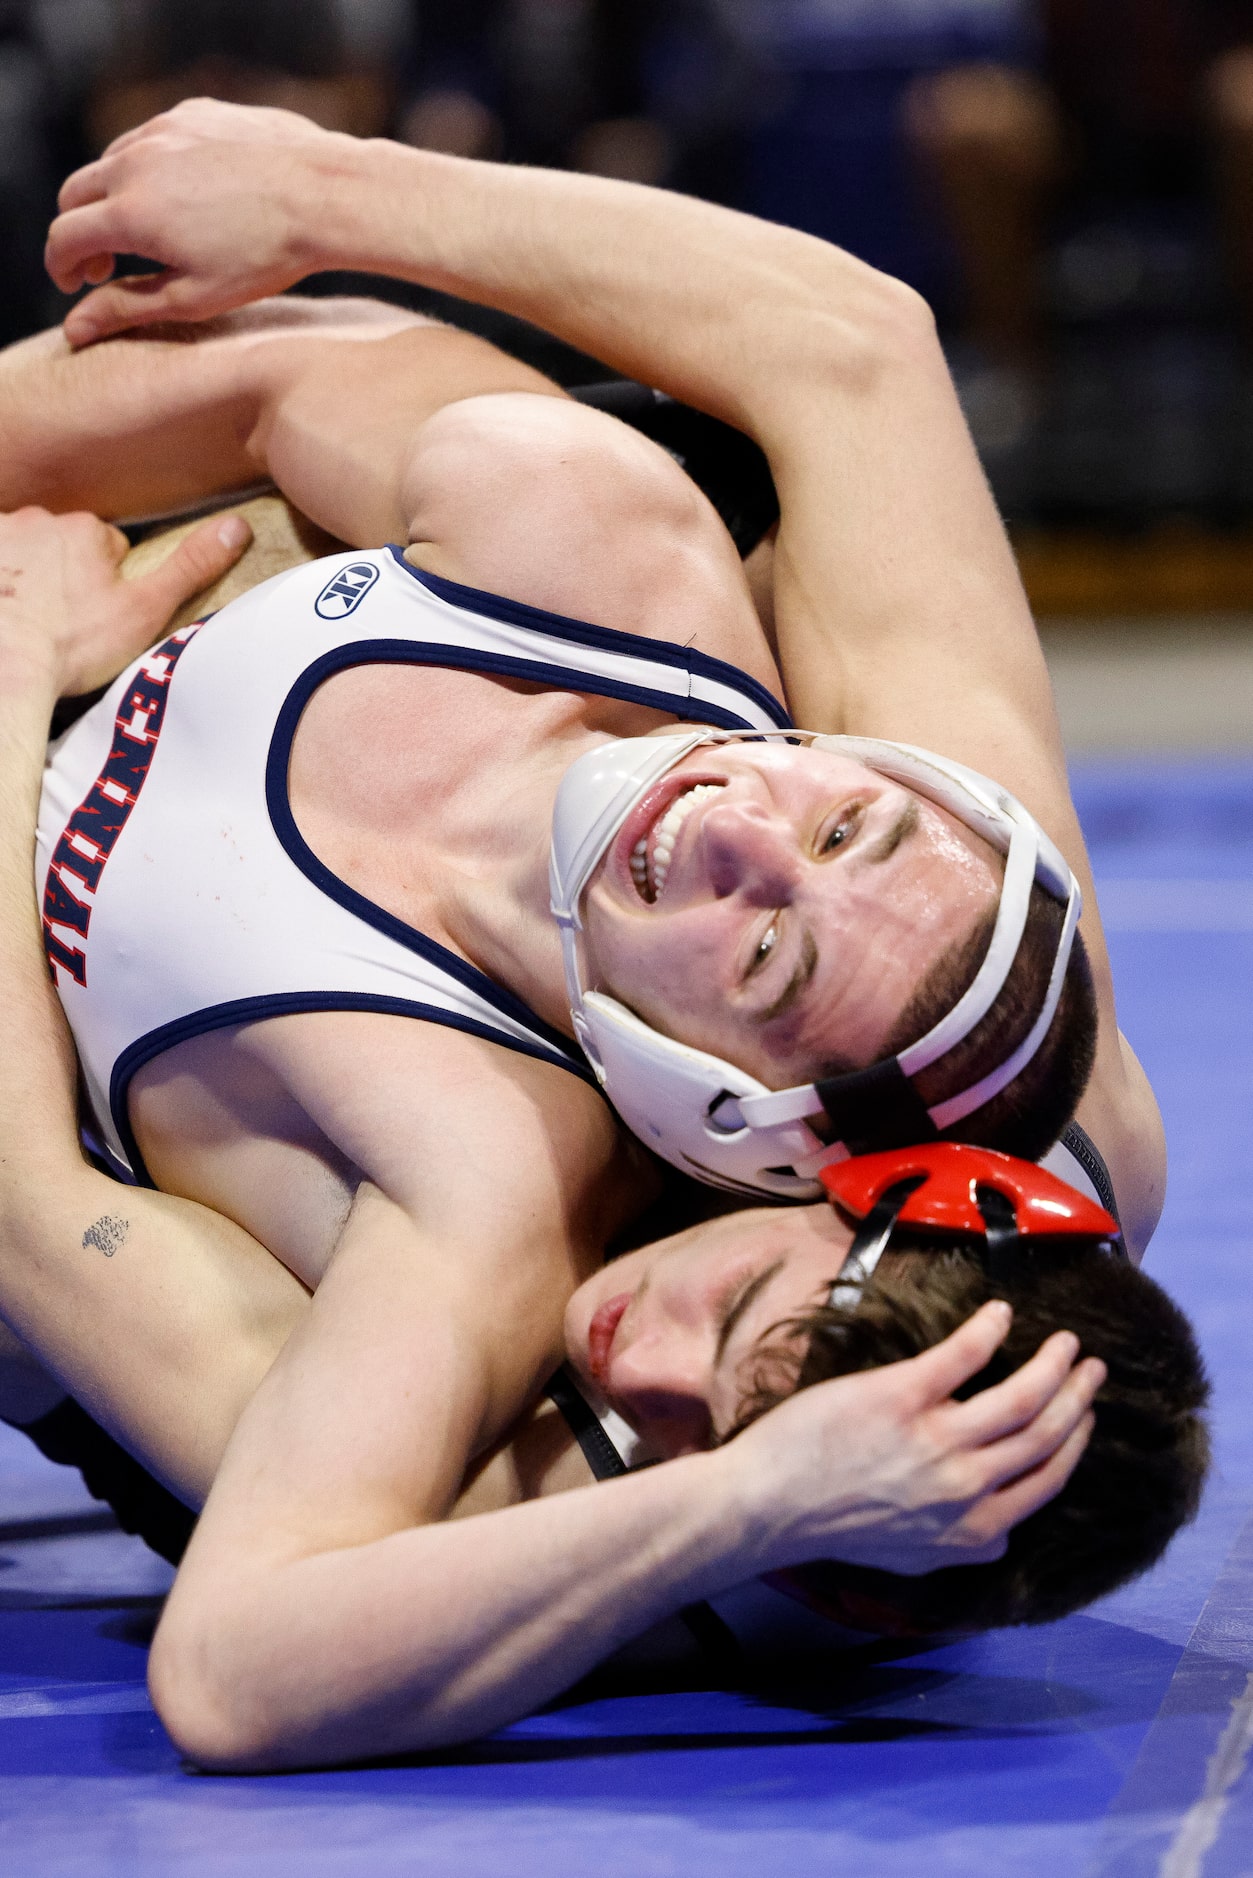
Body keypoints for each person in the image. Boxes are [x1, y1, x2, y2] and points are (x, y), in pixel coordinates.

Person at [0, 106, 1182, 1759]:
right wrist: (325, 189)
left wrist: (746, 1500)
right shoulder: (915, 872)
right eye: (836, 814)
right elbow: (854, 343)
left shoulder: (495, 1231)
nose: (739, 828)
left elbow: (31, 1222)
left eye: (765, 957)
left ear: (734, 1123)